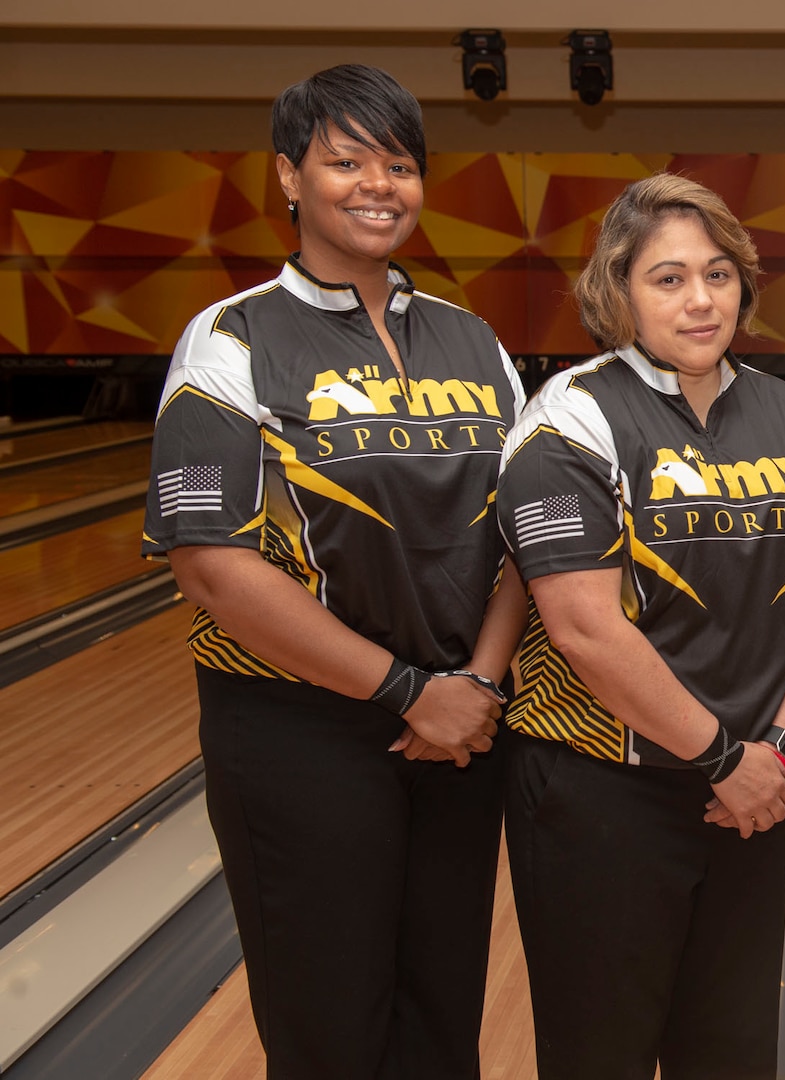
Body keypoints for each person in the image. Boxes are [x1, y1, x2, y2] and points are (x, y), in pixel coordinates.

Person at [140, 64, 526, 1078]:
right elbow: (210, 564)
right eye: (346, 160)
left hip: (460, 726)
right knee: (329, 1033)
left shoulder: (474, 342)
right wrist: (406, 690)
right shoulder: (231, 337)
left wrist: (475, 686)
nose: (378, 184)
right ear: (289, 179)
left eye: (400, 164)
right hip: (298, 726)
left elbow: (524, 543)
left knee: (442, 1021)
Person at [495, 172, 785, 1080]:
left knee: (730, 1052)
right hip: (603, 794)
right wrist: (726, 759)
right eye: (669, 278)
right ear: (618, 290)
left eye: (719, 275)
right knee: (599, 1054)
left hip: (752, 793)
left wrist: (779, 749)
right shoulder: (570, 418)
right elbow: (583, 630)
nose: (700, 300)